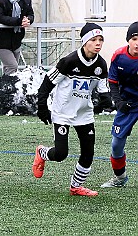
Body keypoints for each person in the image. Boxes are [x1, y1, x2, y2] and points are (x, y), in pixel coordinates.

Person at [32, 23, 112, 196]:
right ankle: (42, 152)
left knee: (88, 153)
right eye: (93, 39)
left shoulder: (101, 64)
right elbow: (47, 83)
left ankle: (76, 186)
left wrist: (106, 100)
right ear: (84, 42)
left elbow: (103, 87)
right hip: (63, 114)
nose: (98, 43)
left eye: (101, 39)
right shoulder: (68, 62)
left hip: (84, 114)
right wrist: (42, 106)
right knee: (61, 154)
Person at [100, 22, 138, 188]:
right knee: (116, 144)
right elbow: (113, 82)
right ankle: (120, 178)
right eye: (134, 38)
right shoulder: (118, 56)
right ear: (128, 40)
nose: (137, 43)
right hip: (128, 104)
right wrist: (118, 102)